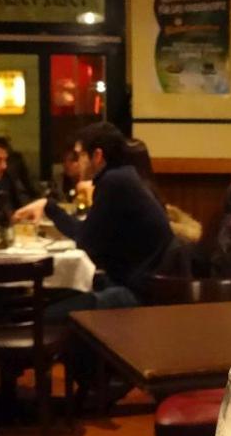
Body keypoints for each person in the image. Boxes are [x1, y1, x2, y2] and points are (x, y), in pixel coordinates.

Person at [14, 122, 172, 306]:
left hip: (137, 294)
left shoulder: (115, 182)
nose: (78, 163)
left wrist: (49, 207)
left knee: (46, 312)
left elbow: (85, 241)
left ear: (97, 156)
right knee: (54, 296)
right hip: (137, 283)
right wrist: (48, 206)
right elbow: (91, 236)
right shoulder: (123, 177)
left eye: (80, 155)